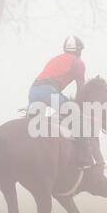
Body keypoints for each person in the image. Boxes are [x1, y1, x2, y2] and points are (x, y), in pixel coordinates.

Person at [28, 36, 94, 169]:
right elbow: (81, 89)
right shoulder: (78, 62)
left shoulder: (55, 59)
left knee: (34, 126)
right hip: (49, 92)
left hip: (33, 91)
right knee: (77, 117)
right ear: (79, 51)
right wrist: (79, 107)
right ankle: (84, 157)